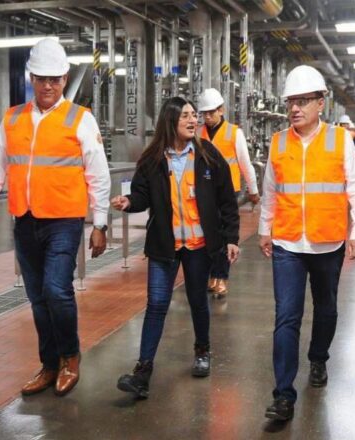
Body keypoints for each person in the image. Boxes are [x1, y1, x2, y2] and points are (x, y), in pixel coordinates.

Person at [0, 38, 111, 397]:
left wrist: (100, 223)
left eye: (55, 79)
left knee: (56, 289)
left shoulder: (80, 119)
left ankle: (70, 357)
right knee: (37, 296)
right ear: (31, 78)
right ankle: (49, 364)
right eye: (41, 79)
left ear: (64, 79)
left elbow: (98, 174)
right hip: (25, 220)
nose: (48, 86)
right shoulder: (13, 118)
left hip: (64, 221)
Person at [259, 65, 355, 421]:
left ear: (320, 103)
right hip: (288, 243)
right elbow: (270, 190)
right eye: (291, 101)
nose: (295, 108)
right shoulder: (278, 142)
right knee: (286, 317)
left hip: (327, 242)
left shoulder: (339, 140)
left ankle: (319, 358)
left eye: (303, 101)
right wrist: (265, 228)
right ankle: (283, 395)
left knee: (326, 308)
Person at [111, 96, 240, 399]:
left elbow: (226, 200)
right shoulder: (152, 158)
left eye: (194, 115)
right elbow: (141, 195)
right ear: (170, 120)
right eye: (185, 116)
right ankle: (142, 372)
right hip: (164, 246)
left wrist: (231, 238)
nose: (193, 120)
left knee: (197, 300)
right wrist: (129, 202)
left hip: (198, 246)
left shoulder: (207, 155)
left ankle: (202, 350)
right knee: (156, 305)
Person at [197, 88, 260, 298]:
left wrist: (253, 190)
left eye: (211, 112)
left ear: (221, 110)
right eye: (204, 113)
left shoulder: (234, 133)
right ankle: (211, 276)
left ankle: (221, 277)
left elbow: (245, 163)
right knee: (206, 236)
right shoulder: (197, 133)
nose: (207, 117)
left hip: (227, 192)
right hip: (203, 192)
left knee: (225, 236)